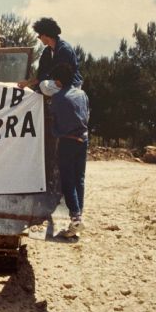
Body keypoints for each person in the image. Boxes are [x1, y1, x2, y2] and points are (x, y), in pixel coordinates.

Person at [49, 63, 90, 238]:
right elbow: (87, 114)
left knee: (67, 182)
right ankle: (77, 219)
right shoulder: (82, 94)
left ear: (58, 81)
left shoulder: (58, 98)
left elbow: (53, 121)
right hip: (83, 140)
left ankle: (75, 218)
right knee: (79, 179)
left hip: (67, 142)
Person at [17, 17, 83, 96]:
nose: (39, 38)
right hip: (58, 84)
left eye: (39, 36)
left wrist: (31, 83)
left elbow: (63, 77)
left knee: (43, 85)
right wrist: (28, 83)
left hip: (72, 85)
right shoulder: (47, 52)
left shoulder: (64, 50)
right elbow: (42, 75)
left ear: (45, 35)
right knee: (39, 89)